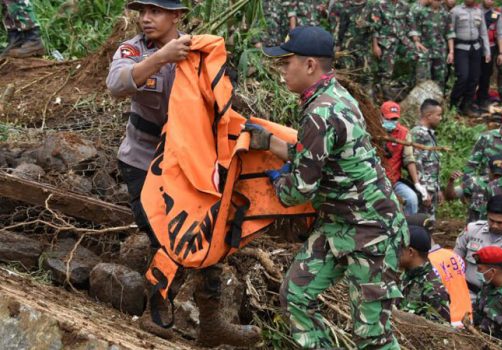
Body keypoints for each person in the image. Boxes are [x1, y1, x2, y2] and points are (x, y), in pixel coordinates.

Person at [106, 0, 262, 346]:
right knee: (165, 234)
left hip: (190, 166)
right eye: (142, 11)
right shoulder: (133, 49)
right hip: (143, 161)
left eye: (156, 11)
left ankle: (211, 323)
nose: (146, 18)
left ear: (177, 16)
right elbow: (116, 85)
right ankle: (156, 309)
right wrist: (162, 57)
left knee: (208, 236)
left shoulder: (199, 52)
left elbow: (222, 102)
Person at [260, 26, 408, 349]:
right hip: (340, 223)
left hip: (373, 231)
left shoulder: (321, 112)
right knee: (296, 295)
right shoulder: (334, 95)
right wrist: (271, 143)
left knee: (373, 336)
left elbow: (298, 190)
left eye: (288, 62)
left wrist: (277, 181)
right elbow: (314, 155)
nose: (283, 70)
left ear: (310, 65)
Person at [454, 195, 502, 300]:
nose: (495, 225)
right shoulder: (472, 230)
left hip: (499, 300)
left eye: (500, 222)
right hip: (468, 293)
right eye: (491, 220)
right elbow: (454, 260)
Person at [380, 101, 425, 215]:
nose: (391, 122)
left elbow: (409, 159)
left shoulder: (403, 133)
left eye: (394, 119)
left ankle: (408, 229)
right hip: (375, 181)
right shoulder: (372, 130)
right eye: (388, 119)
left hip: (393, 180)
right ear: (381, 116)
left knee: (411, 199)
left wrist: (416, 183)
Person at [398, 225, 451, 323]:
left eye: (399, 249)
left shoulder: (433, 290)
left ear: (410, 252)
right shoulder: (406, 275)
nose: (394, 253)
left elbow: (440, 331)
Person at [449, 0, 491, 115]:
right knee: (463, 77)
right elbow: (450, 32)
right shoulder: (455, 11)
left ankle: (466, 105)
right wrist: (451, 51)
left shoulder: (479, 12)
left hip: (476, 48)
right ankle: (453, 105)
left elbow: (483, 33)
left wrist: (487, 51)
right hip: (461, 48)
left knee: (474, 78)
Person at [366, 0, 414, 99]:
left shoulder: (404, 6)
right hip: (386, 42)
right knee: (386, 71)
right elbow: (375, 27)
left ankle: (408, 86)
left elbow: (411, 24)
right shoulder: (379, 4)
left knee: (419, 55)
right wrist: (375, 45)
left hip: (402, 40)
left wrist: (416, 41)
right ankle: (384, 95)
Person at [410, 0, 456, 90]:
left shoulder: (445, 15)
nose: (437, 2)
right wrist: (416, 42)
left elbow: (450, 34)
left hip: (440, 52)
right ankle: (422, 102)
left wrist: (451, 52)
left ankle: (437, 102)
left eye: (439, 1)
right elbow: (415, 29)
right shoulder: (422, 12)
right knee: (423, 79)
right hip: (425, 51)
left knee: (439, 80)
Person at [445, 155, 502, 223]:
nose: (497, 179)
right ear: (489, 170)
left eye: (500, 176)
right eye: (495, 175)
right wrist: (451, 182)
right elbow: (450, 196)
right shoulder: (475, 182)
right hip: (476, 229)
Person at [328, 0, 373, 87]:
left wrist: (366, 24)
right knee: (346, 75)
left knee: (365, 77)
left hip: (364, 49)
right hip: (347, 48)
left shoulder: (371, 6)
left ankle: (364, 99)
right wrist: (337, 45)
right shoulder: (343, 6)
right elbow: (338, 28)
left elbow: (377, 26)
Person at [411, 99, 443, 217]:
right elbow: (416, 163)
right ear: (428, 115)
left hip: (431, 187)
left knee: (430, 222)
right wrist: (423, 191)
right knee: (422, 221)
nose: (440, 118)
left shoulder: (430, 134)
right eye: (438, 115)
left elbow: (433, 164)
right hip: (424, 189)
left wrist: (438, 188)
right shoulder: (418, 134)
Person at [476, 0, 502, 109]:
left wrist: (501, 53)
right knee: (473, 74)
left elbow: (500, 34)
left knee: (486, 74)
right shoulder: (475, 10)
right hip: (474, 47)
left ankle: (482, 98)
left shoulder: (496, 14)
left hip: (490, 46)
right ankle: (467, 99)